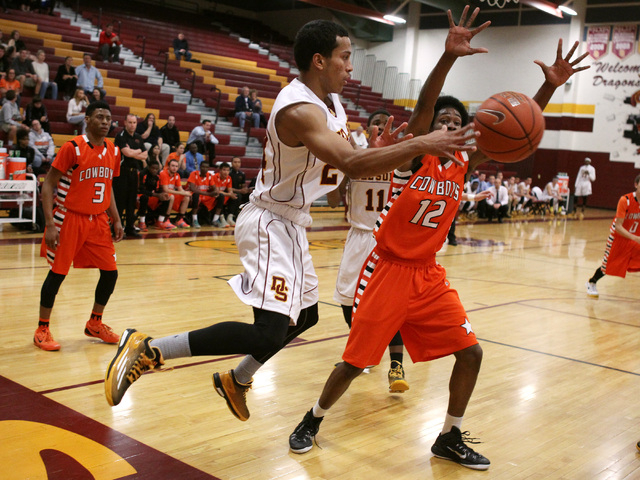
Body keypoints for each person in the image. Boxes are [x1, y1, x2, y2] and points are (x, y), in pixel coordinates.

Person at [103, 17, 480, 422]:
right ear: (319, 61)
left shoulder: (331, 102)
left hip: (293, 222)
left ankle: (238, 378)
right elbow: (351, 164)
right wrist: (420, 143)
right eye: (345, 57)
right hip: (268, 220)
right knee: (269, 330)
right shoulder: (299, 108)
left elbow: (350, 158)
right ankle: (151, 348)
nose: (351, 67)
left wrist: (378, 146)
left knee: (308, 315)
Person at [287, 12, 588, 471]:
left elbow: (519, 128)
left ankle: (448, 435)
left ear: (468, 131)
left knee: (472, 353)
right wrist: (447, 57)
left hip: (428, 274)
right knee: (353, 361)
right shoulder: (415, 156)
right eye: (441, 121)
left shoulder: (464, 162)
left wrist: (547, 89)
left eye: (455, 121)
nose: (447, 125)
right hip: (387, 268)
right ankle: (312, 418)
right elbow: (424, 107)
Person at [327, 108, 409, 391]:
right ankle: (362, 354)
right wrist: (339, 171)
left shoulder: (401, 159)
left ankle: (396, 366)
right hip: (359, 234)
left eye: (383, 124)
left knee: (391, 304)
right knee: (347, 299)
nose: (379, 128)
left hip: (387, 238)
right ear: (368, 128)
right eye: (374, 123)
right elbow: (334, 200)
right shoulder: (353, 159)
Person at [33, 101, 123, 351]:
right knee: (58, 273)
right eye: (100, 117)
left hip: (98, 222)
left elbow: (108, 186)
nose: (105, 122)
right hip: (69, 219)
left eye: (108, 118)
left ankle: (95, 322)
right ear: (87, 119)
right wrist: (50, 224)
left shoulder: (114, 151)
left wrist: (115, 217)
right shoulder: (73, 148)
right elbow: (48, 185)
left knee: (110, 272)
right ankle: (42, 328)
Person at [585, 173, 640, 298]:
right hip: (619, 237)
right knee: (608, 266)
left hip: (635, 238)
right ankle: (591, 282)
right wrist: (635, 238)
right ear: (636, 185)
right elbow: (618, 227)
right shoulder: (625, 200)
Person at [114, 114, 147, 238]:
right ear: (125, 123)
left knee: (131, 202)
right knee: (120, 201)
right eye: (130, 122)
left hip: (134, 172)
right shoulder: (120, 136)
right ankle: (117, 228)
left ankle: (130, 228)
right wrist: (137, 151)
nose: (132, 125)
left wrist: (134, 152)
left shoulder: (138, 137)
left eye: (134, 122)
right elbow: (126, 153)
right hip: (122, 172)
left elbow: (145, 155)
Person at [137, 161, 172, 232]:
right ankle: (142, 222)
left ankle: (160, 222)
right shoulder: (142, 174)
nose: (155, 170)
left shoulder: (157, 176)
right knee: (144, 197)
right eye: (153, 168)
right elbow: (140, 190)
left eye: (156, 169)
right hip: (140, 196)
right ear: (149, 167)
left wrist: (162, 193)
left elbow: (158, 189)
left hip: (152, 196)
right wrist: (157, 195)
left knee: (166, 197)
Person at [159, 157, 191, 228]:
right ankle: (166, 220)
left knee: (186, 197)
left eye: (176, 166)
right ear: (168, 166)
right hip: (161, 195)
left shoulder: (177, 175)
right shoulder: (163, 173)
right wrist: (182, 193)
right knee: (171, 196)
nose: (174, 168)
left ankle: (180, 219)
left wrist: (186, 193)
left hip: (171, 195)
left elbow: (180, 189)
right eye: (173, 166)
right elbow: (166, 190)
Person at [187, 160, 218, 228]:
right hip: (193, 196)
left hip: (205, 196)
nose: (204, 168)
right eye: (203, 167)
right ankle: (194, 220)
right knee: (196, 196)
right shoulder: (193, 174)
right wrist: (208, 193)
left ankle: (216, 219)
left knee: (220, 197)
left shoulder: (209, 176)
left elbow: (215, 189)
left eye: (206, 167)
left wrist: (214, 191)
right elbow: (193, 189)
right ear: (200, 167)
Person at [210, 162, 236, 227]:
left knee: (237, 196)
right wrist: (230, 194)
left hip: (223, 195)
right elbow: (217, 191)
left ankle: (229, 217)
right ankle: (221, 218)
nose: (226, 172)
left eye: (227, 170)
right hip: (213, 196)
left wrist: (232, 194)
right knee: (221, 196)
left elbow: (230, 191)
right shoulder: (214, 177)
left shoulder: (229, 178)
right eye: (224, 170)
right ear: (220, 170)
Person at [227, 156, 251, 226]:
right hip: (230, 192)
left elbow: (243, 185)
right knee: (238, 195)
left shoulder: (242, 174)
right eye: (235, 162)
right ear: (231, 163)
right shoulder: (229, 173)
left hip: (239, 191)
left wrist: (246, 189)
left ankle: (246, 215)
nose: (237, 164)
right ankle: (230, 216)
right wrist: (240, 191)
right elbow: (228, 187)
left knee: (249, 195)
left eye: (238, 162)